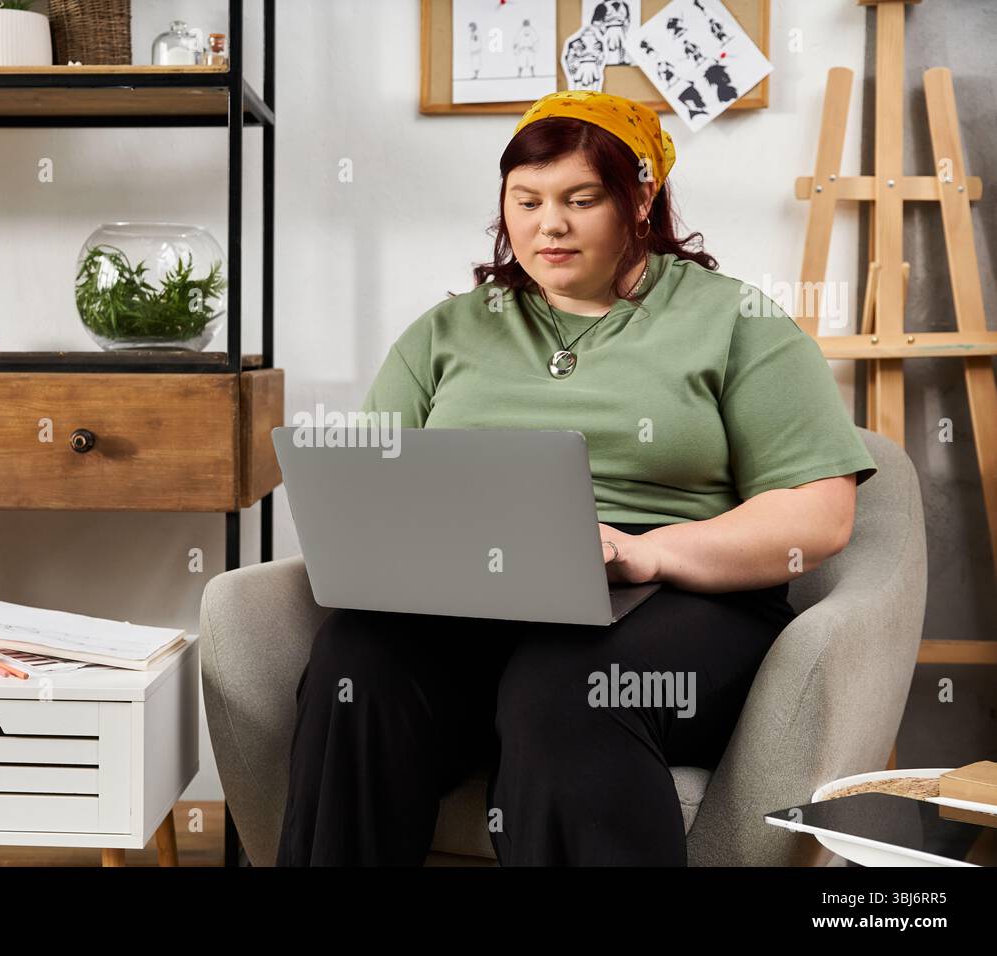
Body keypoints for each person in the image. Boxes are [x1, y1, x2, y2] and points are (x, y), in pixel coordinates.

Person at [276, 90, 879, 866]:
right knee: (356, 660)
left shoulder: (735, 321)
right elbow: (368, 488)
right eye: (526, 200)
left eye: (580, 199)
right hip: (479, 607)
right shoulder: (449, 329)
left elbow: (819, 517)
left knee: (568, 684)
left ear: (640, 200)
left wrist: (650, 551)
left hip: (679, 603)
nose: (547, 224)